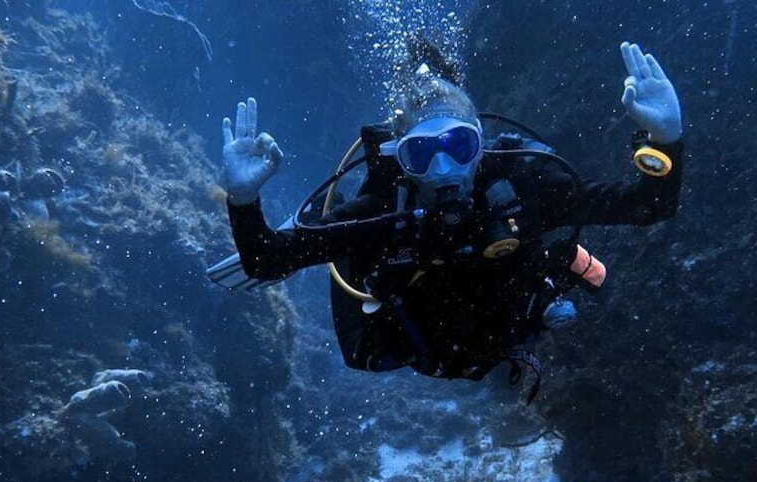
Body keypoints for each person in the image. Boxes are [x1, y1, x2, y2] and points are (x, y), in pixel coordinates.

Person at [216, 41, 683, 386]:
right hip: (422, 350)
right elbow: (265, 260)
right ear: (400, 157)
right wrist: (243, 199)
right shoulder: (383, 212)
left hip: (509, 330)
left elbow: (649, 204)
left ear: (480, 141)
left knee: (550, 276)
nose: (443, 170)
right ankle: (334, 226)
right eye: (422, 153)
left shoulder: (522, 185)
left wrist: (665, 138)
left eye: (459, 146)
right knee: (364, 337)